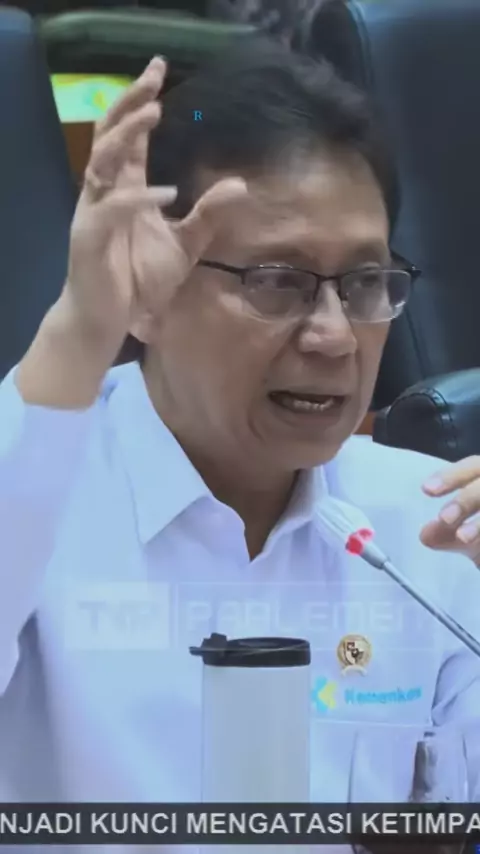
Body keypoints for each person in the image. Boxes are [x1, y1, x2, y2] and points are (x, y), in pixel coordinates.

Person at [1, 40, 480, 823]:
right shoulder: (32, 496)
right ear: (147, 291)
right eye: (277, 281)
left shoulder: (433, 532)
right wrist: (82, 326)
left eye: (365, 283)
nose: (334, 336)